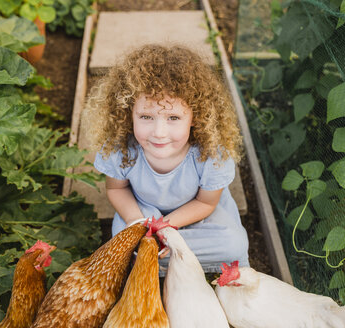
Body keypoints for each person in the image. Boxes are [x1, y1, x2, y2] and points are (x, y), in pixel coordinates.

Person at [83, 44, 249, 272]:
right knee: (126, 242)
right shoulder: (121, 147)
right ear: (127, 113)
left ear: (195, 117)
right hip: (142, 211)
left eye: (173, 117)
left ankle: (158, 258)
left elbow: (205, 202)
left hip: (197, 214)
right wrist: (137, 224)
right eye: (146, 116)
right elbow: (117, 189)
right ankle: (160, 255)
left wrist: (164, 229)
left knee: (233, 244)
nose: (159, 132)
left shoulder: (212, 153)